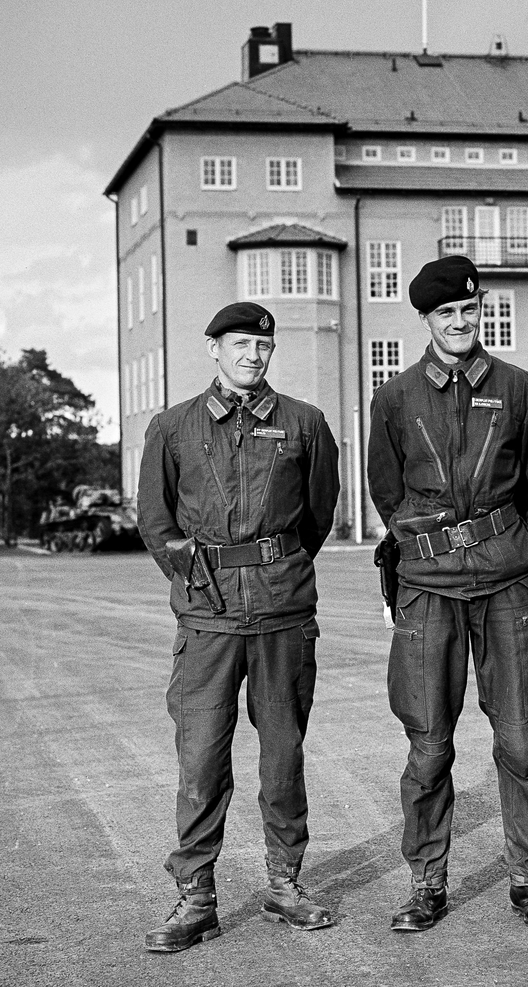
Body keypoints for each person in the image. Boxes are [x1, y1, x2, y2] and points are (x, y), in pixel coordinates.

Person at [368, 255, 528, 932]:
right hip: (427, 589)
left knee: (521, 737)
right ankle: (427, 883)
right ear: (426, 319)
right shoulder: (395, 399)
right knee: (428, 745)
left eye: (469, 310)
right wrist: (435, 548)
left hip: (506, 583)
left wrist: (498, 543)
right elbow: (388, 492)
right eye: (446, 313)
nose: (459, 322)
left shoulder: (516, 387)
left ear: (481, 311)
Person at [137, 302, 340, 953]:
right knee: (200, 759)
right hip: (209, 616)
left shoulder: (305, 423)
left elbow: (317, 515)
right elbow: (156, 522)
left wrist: (275, 569)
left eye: (263, 345)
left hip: (283, 614)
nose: (253, 355)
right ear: (214, 348)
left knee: (282, 757)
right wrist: (198, 579)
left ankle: (285, 883)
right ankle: (196, 897)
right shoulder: (172, 427)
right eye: (240, 344)